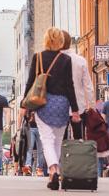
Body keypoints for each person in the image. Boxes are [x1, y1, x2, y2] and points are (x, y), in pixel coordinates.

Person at [23, 27, 79, 191]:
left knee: (46, 139)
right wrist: (74, 110)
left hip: (44, 104)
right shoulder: (65, 60)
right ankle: (54, 173)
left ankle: (53, 169)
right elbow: (70, 86)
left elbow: (30, 82)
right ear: (60, 41)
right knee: (57, 140)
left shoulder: (38, 57)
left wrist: (24, 104)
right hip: (62, 104)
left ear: (46, 40)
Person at [61, 31, 95, 139]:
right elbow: (88, 85)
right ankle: (79, 155)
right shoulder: (80, 60)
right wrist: (91, 105)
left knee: (60, 140)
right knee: (79, 139)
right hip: (79, 106)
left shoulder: (54, 60)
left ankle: (61, 156)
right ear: (70, 42)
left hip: (59, 108)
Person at [25, 110, 45, 177]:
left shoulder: (43, 101)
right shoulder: (28, 102)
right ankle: (28, 167)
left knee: (41, 150)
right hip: (30, 128)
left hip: (41, 128)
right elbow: (22, 113)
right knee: (29, 148)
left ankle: (39, 168)